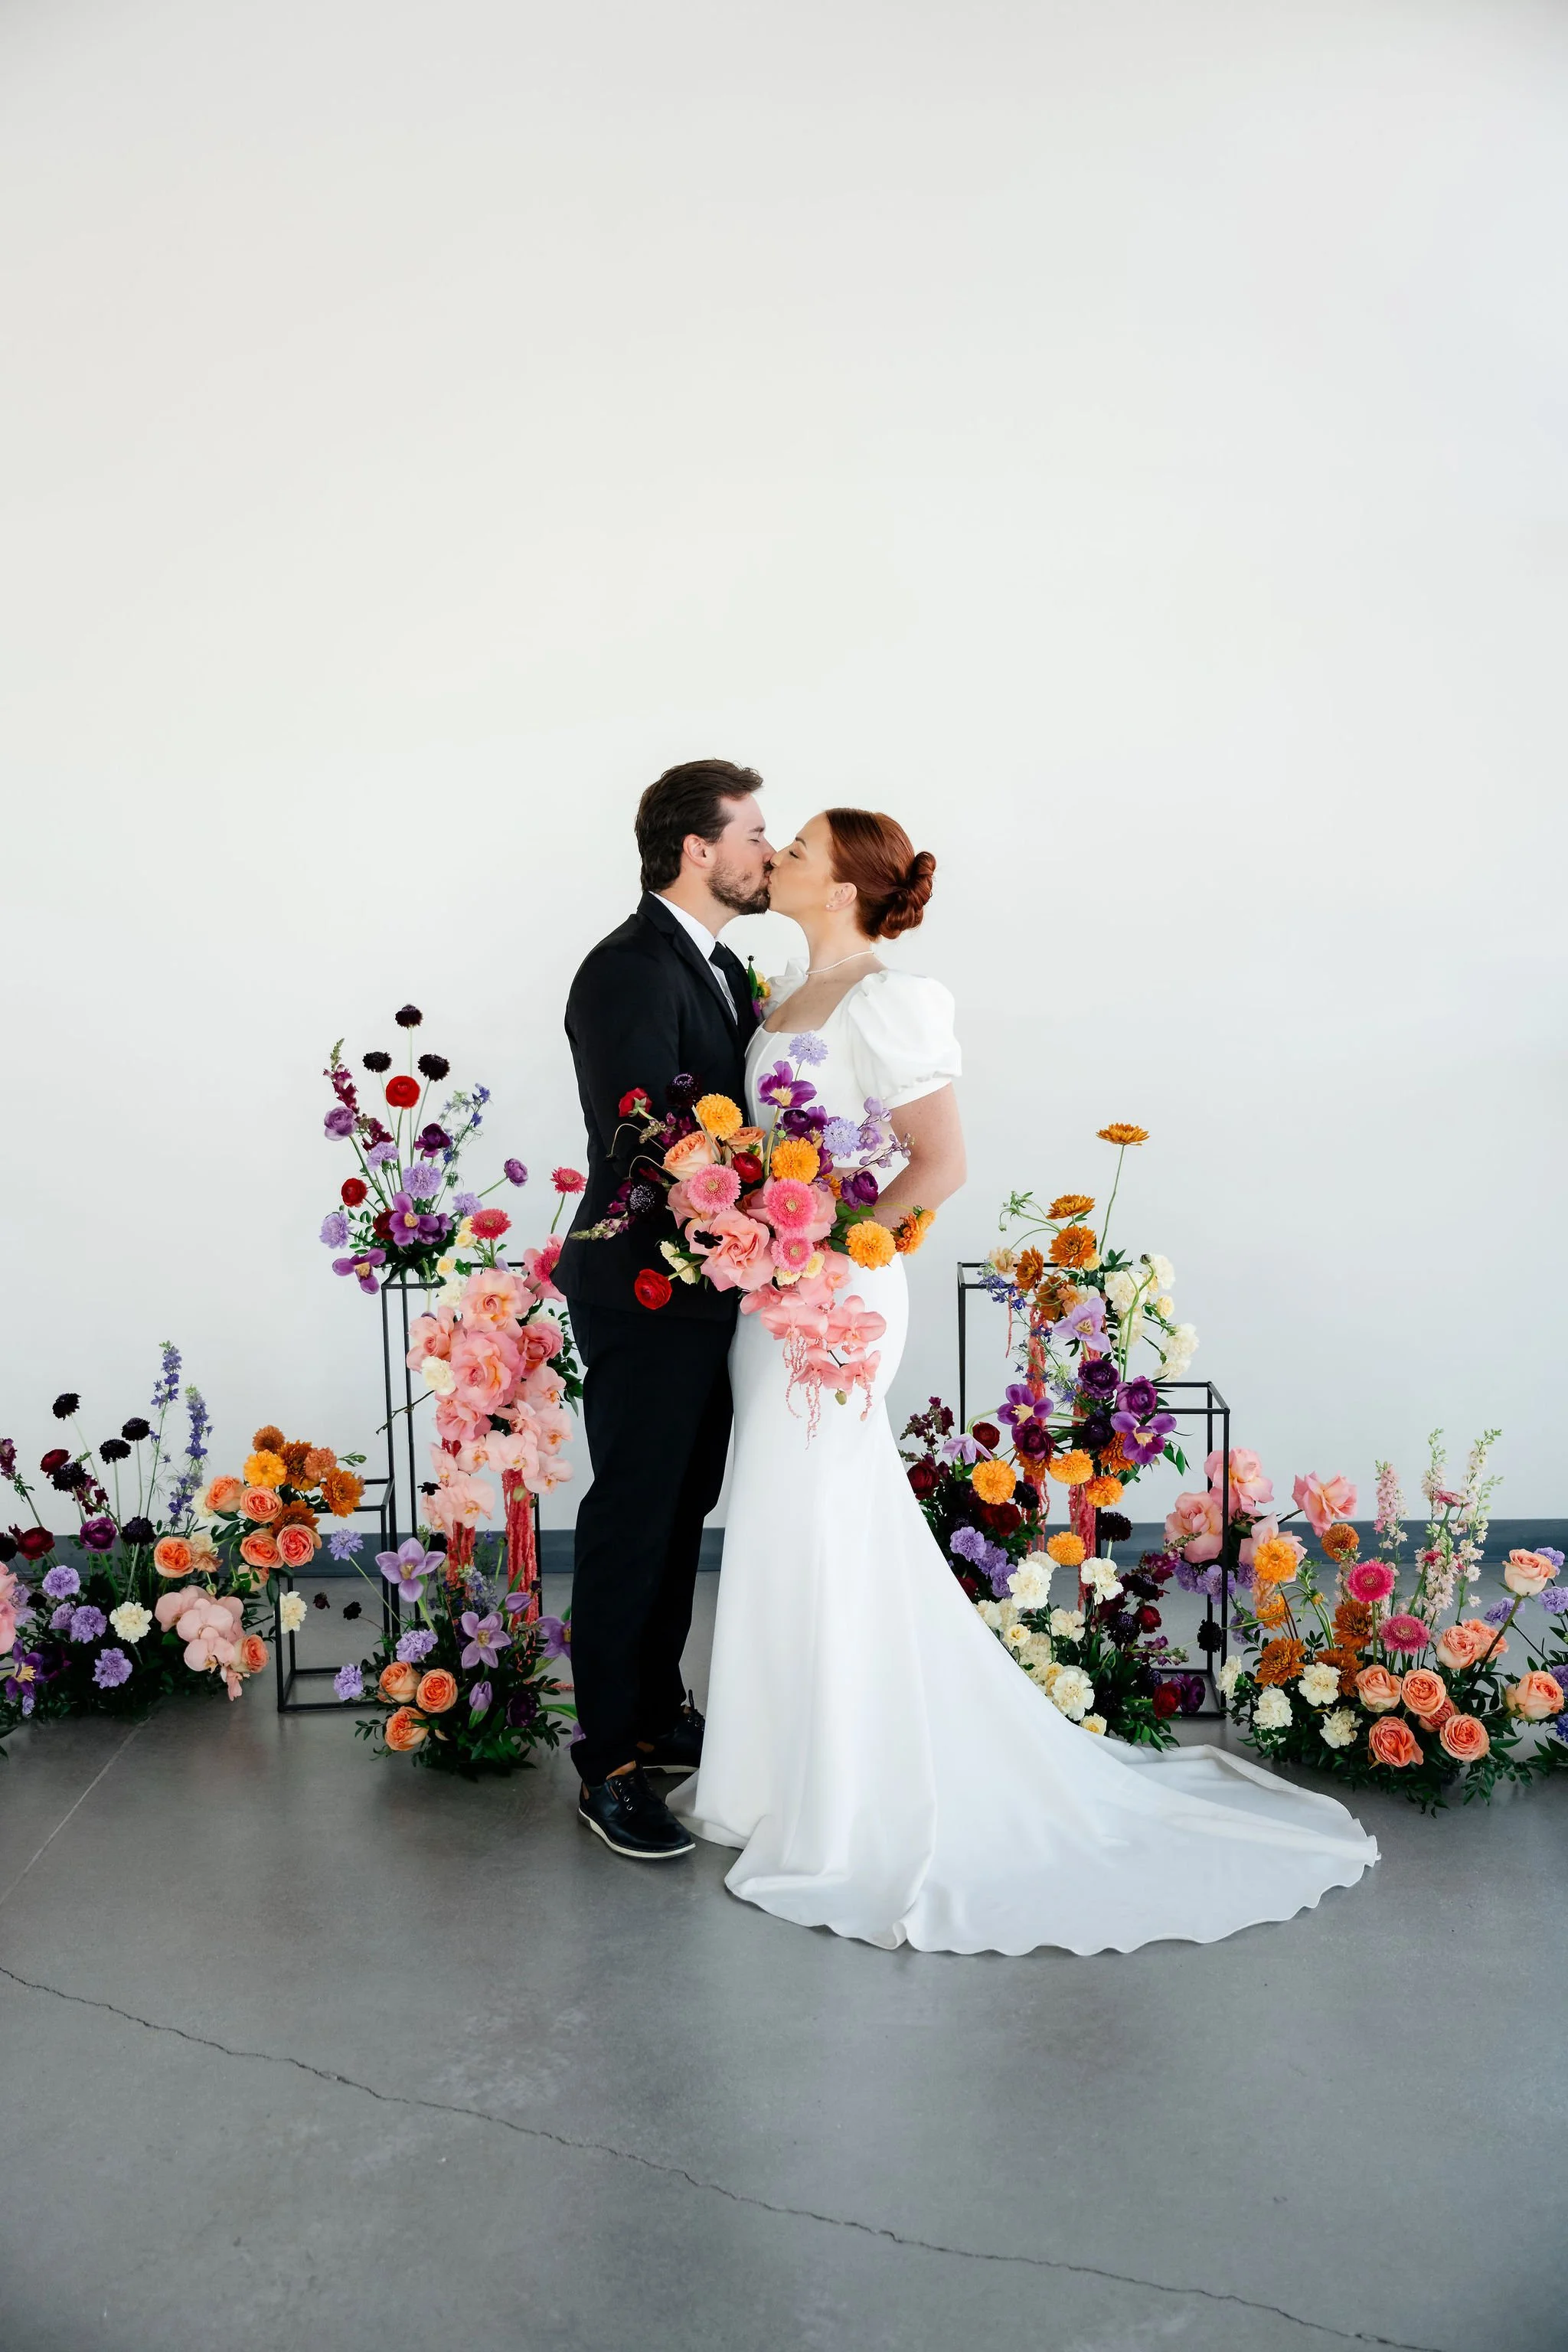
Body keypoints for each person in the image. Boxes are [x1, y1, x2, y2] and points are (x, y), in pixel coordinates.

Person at [669, 807, 1379, 1953]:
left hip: (838, 1300)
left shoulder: (890, 998)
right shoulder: (784, 995)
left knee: (818, 1506)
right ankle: (771, 1779)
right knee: (782, 1512)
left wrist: (834, 1247)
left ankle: (846, 1796)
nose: (784, 859)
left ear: (847, 883)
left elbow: (940, 1161)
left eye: (802, 848)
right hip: (772, 1295)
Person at [556, 758, 772, 1859]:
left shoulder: (723, 970)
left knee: (683, 1506)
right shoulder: (627, 969)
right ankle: (607, 1763)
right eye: (755, 834)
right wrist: (757, 1195)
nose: (768, 854)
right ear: (700, 849)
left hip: (707, 1284)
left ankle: (654, 1709)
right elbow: (647, 1131)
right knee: (635, 1515)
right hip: (644, 1284)